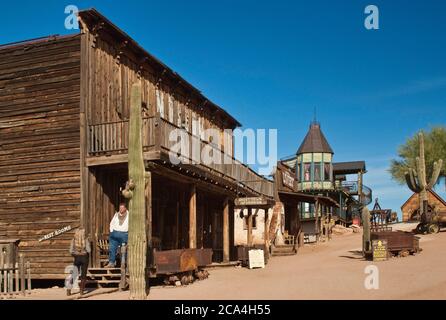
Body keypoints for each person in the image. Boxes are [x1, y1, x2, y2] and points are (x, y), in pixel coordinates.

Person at [105, 203, 129, 268]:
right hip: (114, 234)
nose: (120, 209)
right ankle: (111, 262)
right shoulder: (116, 214)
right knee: (112, 248)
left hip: (124, 234)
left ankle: (124, 263)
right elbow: (111, 223)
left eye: (122, 208)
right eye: (120, 208)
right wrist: (111, 230)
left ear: (125, 208)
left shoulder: (129, 215)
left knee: (123, 250)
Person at [68, 228, 91, 296]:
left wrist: (75, 254)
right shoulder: (86, 239)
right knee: (83, 275)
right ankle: (81, 291)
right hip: (84, 257)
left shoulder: (73, 240)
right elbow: (89, 250)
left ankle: (68, 290)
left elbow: (70, 251)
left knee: (74, 274)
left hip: (77, 258)